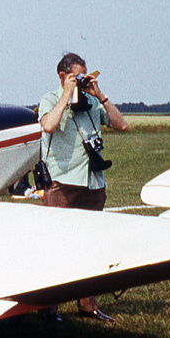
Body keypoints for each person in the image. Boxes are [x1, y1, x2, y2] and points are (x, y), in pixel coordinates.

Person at [38, 52, 129, 321]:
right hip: (63, 181)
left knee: (91, 245)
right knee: (56, 245)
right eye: (77, 77)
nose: (82, 81)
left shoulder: (91, 102)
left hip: (92, 182)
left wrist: (100, 95)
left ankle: (87, 304)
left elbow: (121, 125)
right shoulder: (50, 99)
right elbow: (49, 125)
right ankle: (48, 306)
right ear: (63, 76)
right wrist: (67, 94)